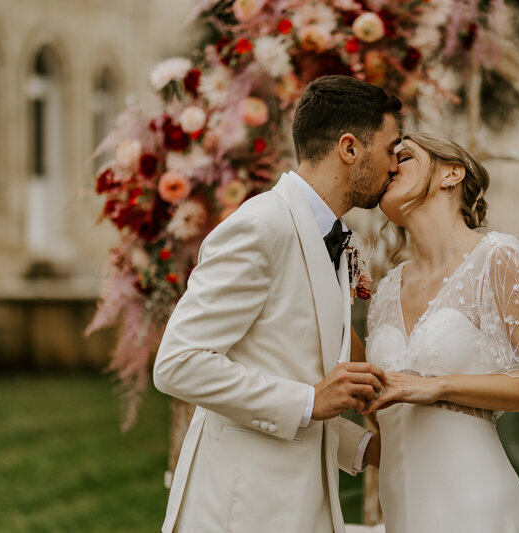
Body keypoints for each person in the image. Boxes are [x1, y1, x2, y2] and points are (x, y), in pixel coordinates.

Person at [152, 75, 401, 533]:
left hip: (297, 506)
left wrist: (363, 450)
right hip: (239, 511)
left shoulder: (332, 238)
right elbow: (177, 363)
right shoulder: (260, 227)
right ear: (350, 147)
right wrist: (310, 399)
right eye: (390, 149)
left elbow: (289, 372)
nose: (395, 166)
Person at [360, 133, 519, 532]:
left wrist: (439, 386)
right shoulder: (385, 290)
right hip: (403, 514)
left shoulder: (497, 258)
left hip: (477, 508)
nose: (390, 165)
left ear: (451, 173)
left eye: (404, 156)